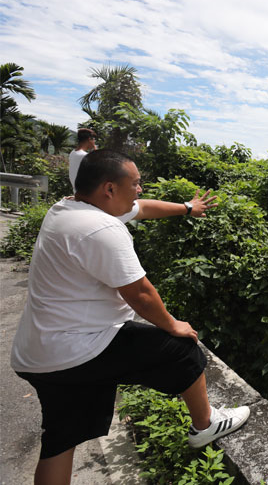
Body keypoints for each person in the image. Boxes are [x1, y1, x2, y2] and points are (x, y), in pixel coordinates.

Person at [10, 149, 250, 485]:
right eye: (135, 183)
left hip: (40, 352)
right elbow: (140, 294)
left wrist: (187, 208)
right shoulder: (101, 228)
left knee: (59, 440)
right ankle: (204, 425)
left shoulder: (69, 207)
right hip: (79, 347)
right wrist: (172, 325)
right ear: (109, 188)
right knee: (185, 352)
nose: (140, 189)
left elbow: (143, 208)